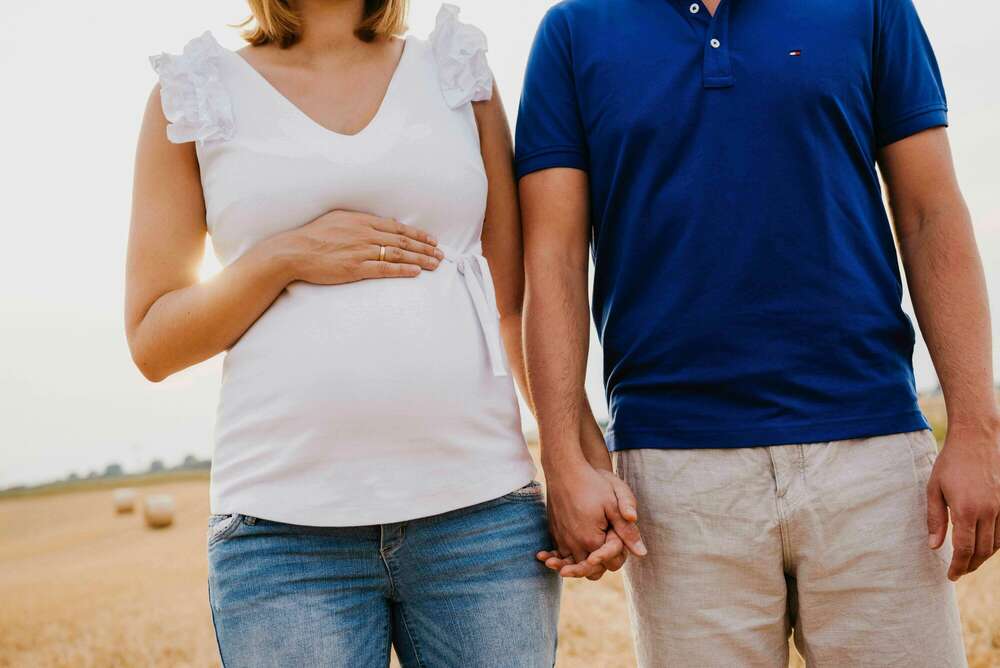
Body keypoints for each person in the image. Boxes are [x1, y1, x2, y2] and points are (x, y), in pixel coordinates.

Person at [517, 0, 999, 665]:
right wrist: (564, 458)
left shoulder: (872, 7)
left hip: (873, 456)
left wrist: (975, 427)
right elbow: (553, 258)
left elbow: (931, 212)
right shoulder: (573, 31)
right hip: (674, 476)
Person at [125, 1, 573, 665]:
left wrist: (571, 460)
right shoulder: (195, 91)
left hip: (480, 517)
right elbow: (153, 340)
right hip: (283, 539)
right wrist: (285, 256)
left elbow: (516, 306)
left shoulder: (455, 69)